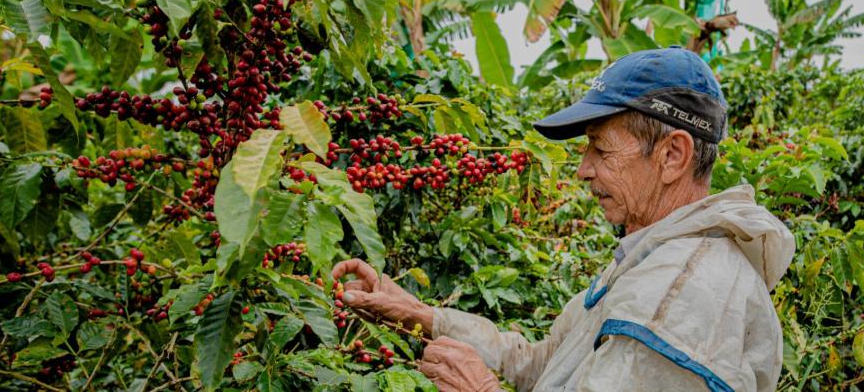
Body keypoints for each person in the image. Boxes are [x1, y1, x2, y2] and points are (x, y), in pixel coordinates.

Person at [332, 46, 796, 392]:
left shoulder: (678, 299)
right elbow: (548, 361)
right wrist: (418, 315)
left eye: (600, 148)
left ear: (673, 155)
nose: (583, 169)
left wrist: (481, 389)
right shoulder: (655, 258)